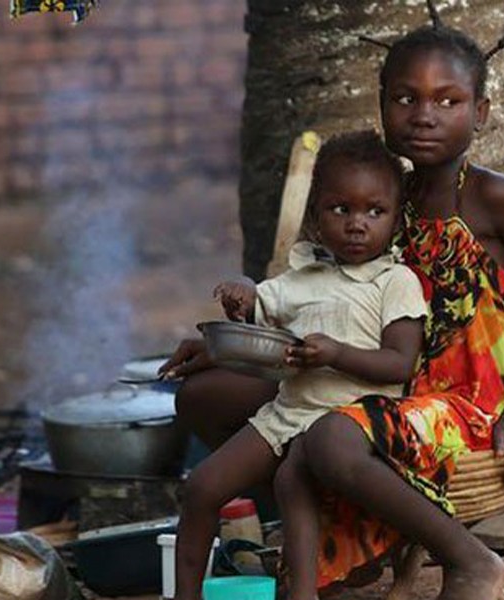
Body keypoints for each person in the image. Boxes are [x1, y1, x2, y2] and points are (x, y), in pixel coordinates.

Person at [164, 8, 504, 600]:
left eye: (448, 101)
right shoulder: (383, 197)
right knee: (203, 397)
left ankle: (471, 561)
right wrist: (225, 350)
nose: (423, 116)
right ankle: (330, 526)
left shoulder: (495, 199)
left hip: (456, 404)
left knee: (331, 440)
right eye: (405, 99)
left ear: (481, 113)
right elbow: (330, 304)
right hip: (369, 379)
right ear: (383, 105)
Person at [166, 130, 428, 600]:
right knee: (202, 487)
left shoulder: (396, 281)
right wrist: (241, 289)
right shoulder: (301, 277)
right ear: (315, 215)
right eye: (340, 209)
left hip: (354, 425)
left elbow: (399, 363)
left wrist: (336, 354)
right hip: (286, 415)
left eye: (375, 211)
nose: (356, 224)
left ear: (395, 218)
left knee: (293, 482)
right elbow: (257, 316)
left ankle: (301, 591)